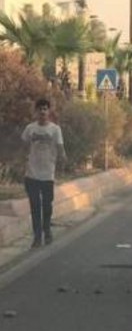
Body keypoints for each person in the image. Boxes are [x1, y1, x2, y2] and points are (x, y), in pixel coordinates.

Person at [21, 99, 67, 248]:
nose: (42, 112)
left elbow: (60, 147)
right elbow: (24, 146)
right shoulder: (30, 129)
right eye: (40, 109)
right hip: (32, 173)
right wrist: (21, 161)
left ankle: (47, 230)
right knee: (35, 206)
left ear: (49, 111)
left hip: (48, 173)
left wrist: (63, 159)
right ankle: (37, 236)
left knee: (47, 205)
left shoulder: (55, 129)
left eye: (45, 109)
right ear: (36, 111)